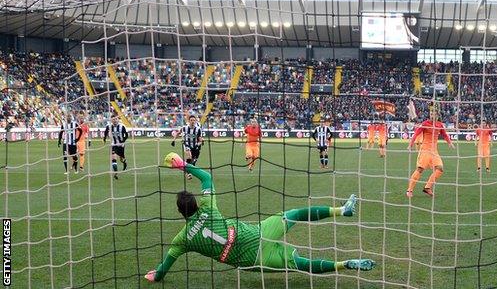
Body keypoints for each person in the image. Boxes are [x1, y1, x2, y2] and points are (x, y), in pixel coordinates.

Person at [143, 152, 375, 282]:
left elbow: (166, 265)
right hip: (258, 232)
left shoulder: (182, 239)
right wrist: (183, 165)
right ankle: (341, 210)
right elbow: (206, 177)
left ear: (180, 212)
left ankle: (345, 264)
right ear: (196, 202)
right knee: (294, 214)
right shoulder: (208, 207)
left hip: (253, 260)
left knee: (300, 263)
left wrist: (157, 275)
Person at [406, 106, 454, 198]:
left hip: (434, 151)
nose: (432, 115)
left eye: (434, 114)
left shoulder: (439, 124)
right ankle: (409, 190)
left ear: (437, 115)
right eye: (431, 113)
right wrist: (411, 144)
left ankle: (427, 187)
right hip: (425, 150)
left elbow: (444, 134)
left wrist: (449, 142)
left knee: (440, 169)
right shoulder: (425, 123)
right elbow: (416, 133)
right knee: (420, 169)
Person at [103, 116, 128, 180]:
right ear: (111, 120)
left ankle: (125, 163)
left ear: (118, 119)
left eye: (116, 119)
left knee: (121, 159)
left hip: (121, 144)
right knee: (113, 157)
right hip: (114, 144)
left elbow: (126, 135)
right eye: (113, 119)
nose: (114, 120)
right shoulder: (109, 126)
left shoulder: (122, 126)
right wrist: (104, 138)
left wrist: (123, 141)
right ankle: (116, 173)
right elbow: (105, 132)